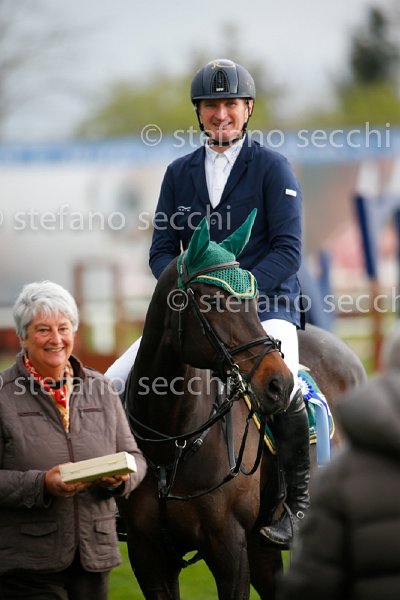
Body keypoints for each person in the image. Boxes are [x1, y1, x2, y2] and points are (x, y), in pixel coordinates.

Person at [106, 58, 309, 547]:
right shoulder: (178, 173)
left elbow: (288, 250)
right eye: (212, 105)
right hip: (195, 316)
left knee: (287, 388)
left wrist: (237, 291)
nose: (222, 114)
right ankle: (120, 498)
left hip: (264, 311)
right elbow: (161, 251)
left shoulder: (272, 167)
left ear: (248, 109)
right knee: (114, 380)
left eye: (231, 104)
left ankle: (296, 504)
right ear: (199, 112)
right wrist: (185, 293)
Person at [0, 281, 147, 600]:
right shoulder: (3, 395)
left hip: (94, 559)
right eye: (43, 330)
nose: (56, 339)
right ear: (23, 336)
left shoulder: (101, 388)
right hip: (28, 566)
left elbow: (135, 457)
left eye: (63, 328)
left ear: (74, 332)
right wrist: (42, 484)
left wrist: (121, 480)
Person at [277, 371, 400, 600]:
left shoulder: (338, 478)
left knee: (290, 391)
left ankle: (298, 502)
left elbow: (311, 583)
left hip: (275, 348)